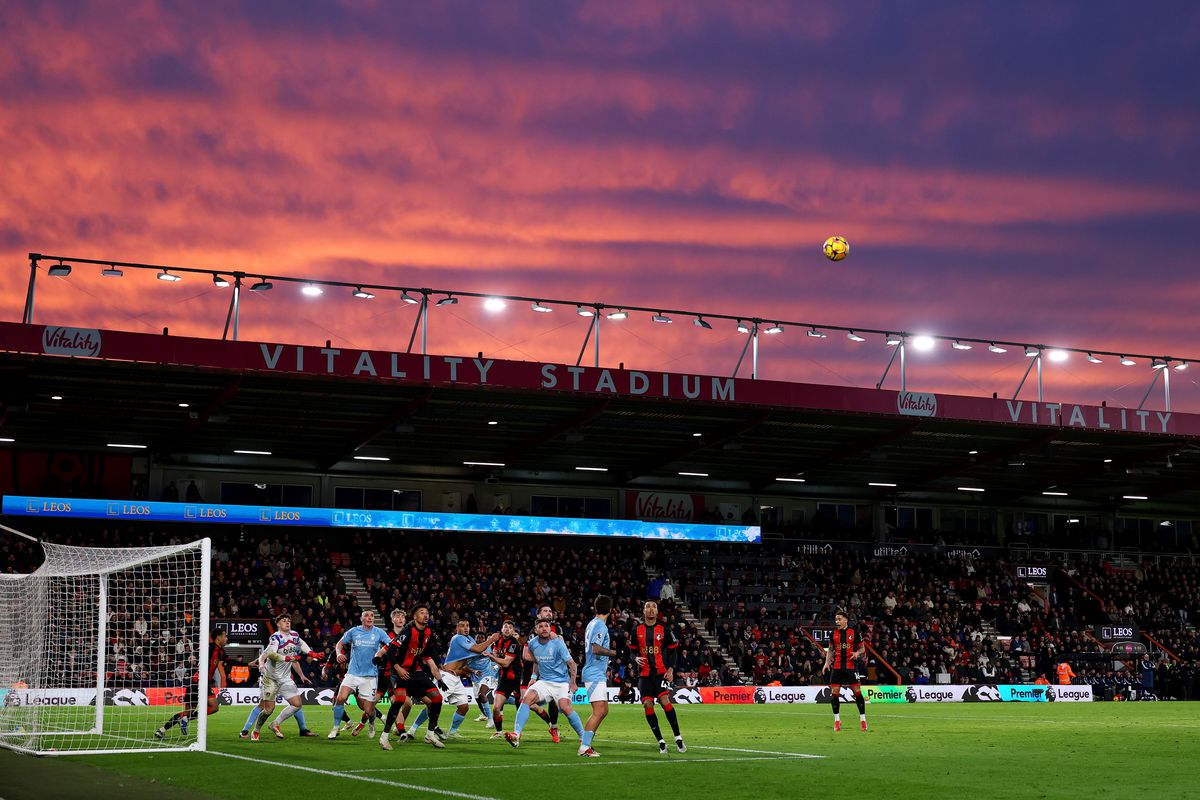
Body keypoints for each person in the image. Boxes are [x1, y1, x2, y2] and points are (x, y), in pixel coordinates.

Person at [408, 620, 498, 742]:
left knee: (464, 706)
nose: (466, 628)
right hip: (447, 677)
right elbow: (478, 649)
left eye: (467, 625)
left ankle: (453, 732)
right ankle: (412, 730)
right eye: (462, 626)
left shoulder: (469, 639)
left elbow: (479, 652)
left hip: (456, 678)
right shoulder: (458, 638)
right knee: (433, 704)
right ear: (457, 628)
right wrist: (492, 639)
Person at [504, 619, 586, 749]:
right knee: (527, 698)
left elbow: (571, 664)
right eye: (540, 626)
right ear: (536, 630)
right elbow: (537, 660)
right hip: (544, 681)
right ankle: (516, 735)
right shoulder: (533, 644)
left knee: (565, 707)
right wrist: (533, 677)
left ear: (550, 628)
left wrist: (573, 682)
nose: (544, 628)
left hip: (561, 682)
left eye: (546, 626)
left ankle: (583, 738)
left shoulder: (558, 643)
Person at [377, 604, 447, 750]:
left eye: (427, 612)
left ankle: (430, 734)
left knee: (437, 698)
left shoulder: (428, 632)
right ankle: (384, 737)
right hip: (399, 671)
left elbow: (427, 656)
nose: (425, 615)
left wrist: (439, 678)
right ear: (415, 617)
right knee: (400, 701)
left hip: (416, 671)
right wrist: (398, 668)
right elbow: (390, 652)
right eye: (422, 613)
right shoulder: (407, 632)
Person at [240, 615, 318, 739]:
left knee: (297, 704)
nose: (287, 623)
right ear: (278, 624)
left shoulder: (295, 636)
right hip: (270, 678)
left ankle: (275, 724)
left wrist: (310, 654)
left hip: (285, 678)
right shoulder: (276, 637)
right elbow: (271, 655)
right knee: (268, 709)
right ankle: (255, 730)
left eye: (289, 621)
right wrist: (284, 658)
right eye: (284, 621)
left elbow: (301, 648)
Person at [328, 610, 391, 739]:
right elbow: (340, 643)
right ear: (362, 619)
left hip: (370, 676)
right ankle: (335, 728)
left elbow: (391, 645)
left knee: (368, 710)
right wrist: (339, 653)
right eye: (366, 615)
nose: (370, 617)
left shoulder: (379, 633)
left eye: (372, 616)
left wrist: (381, 653)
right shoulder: (354, 631)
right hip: (352, 674)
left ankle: (372, 722)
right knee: (340, 699)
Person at [633, 600, 685, 754]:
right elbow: (631, 651)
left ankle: (678, 737)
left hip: (660, 673)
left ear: (657, 612)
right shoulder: (636, 630)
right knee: (647, 705)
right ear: (643, 611)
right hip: (644, 675)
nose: (650, 609)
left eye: (653, 607)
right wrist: (634, 658)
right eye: (648, 607)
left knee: (665, 701)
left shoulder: (664, 629)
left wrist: (670, 669)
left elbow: (673, 651)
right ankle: (661, 741)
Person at [155, 628, 227, 739]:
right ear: (218, 637)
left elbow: (229, 660)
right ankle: (185, 719)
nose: (226, 638)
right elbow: (200, 655)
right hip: (199, 681)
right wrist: (196, 656)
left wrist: (248, 664)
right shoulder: (210, 648)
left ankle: (162, 730)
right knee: (214, 707)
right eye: (225, 636)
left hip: (197, 681)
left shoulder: (220, 651)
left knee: (188, 712)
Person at [488, 620, 552, 738]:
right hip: (504, 679)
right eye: (505, 627)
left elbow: (506, 663)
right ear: (502, 629)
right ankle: (499, 732)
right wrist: (494, 653)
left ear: (513, 631)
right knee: (496, 708)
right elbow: (497, 655)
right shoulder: (498, 642)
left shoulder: (514, 644)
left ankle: (551, 725)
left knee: (531, 706)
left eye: (510, 627)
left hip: (518, 680)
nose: (507, 629)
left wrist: (492, 657)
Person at [353, 608, 407, 738]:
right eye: (397, 617)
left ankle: (402, 731)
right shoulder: (386, 636)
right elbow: (381, 652)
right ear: (392, 620)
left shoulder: (408, 635)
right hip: (383, 675)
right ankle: (362, 723)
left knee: (397, 702)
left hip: (397, 675)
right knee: (371, 704)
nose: (400, 619)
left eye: (402, 617)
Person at [580, 594, 618, 757]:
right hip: (593, 672)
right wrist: (612, 653)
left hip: (596, 672)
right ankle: (584, 747)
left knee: (603, 711)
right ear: (610, 610)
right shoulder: (600, 626)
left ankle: (586, 743)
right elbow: (595, 648)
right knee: (599, 711)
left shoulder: (592, 624)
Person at [822, 610, 867, 732]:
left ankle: (863, 719)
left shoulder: (854, 633)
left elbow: (862, 649)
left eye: (839, 619)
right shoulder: (833, 634)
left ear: (846, 620)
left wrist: (857, 653)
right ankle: (837, 720)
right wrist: (827, 663)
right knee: (834, 693)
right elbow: (830, 650)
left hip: (851, 667)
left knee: (857, 692)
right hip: (837, 667)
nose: (837, 622)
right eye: (836, 619)